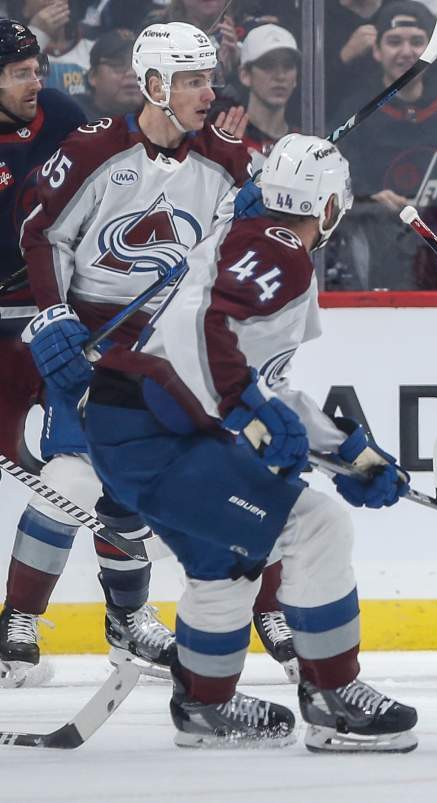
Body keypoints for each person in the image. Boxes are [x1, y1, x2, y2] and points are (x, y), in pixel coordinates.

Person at [80, 133, 419, 751]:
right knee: (317, 526)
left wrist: (348, 451)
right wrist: (247, 410)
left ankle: (204, 708)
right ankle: (334, 699)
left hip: (135, 423)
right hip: (157, 428)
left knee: (225, 563)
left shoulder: (255, 239)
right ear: (330, 206)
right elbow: (199, 330)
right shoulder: (281, 247)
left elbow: (259, 381)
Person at [8, 21, 297, 688]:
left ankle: (259, 611)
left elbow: (271, 247)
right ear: (156, 85)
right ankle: (19, 617)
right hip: (91, 340)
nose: (207, 91)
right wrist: (52, 316)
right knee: (77, 479)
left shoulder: (229, 161)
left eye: (208, 77)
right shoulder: (91, 151)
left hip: (176, 345)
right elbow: (43, 232)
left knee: (241, 463)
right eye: (193, 80)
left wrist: (265, 215)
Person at [0, 18, 85, 686]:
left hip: (56, 327)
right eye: (23, 72)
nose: (40, 80)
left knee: (80, 473)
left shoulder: (62, 115)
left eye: (39, 66)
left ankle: (22, 619)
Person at [335, 1, 437, 212]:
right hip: (375, 230)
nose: (406, 52)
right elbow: (341, 184)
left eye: (416, 41)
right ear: (377, 51)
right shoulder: (353, 114)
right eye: (394, 41)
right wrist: (369, 200)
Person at [236, 23, 299, 157]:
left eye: (288, 66)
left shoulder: (305, 145)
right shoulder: (227, 139)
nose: (280, 76)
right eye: (268, 65)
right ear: (245, 75)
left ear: (296, 78)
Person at [78, 28, 141, 121]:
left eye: (139, 65)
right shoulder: (73, 118)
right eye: (118, 64)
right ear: (92, 76)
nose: (132, 73)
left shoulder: (161, 119)